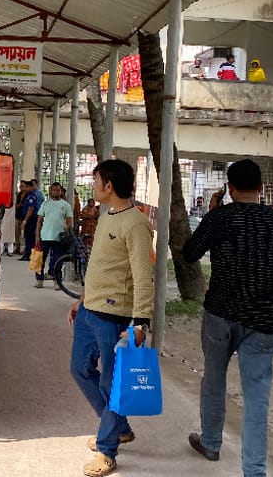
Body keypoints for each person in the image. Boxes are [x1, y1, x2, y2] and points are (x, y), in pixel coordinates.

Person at [183, 159, 273, 477]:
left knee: (214, 379)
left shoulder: (220, 217)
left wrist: (212, 213)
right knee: (257, 397)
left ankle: (211, 442)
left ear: (230, 188)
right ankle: (254, 470)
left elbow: (190, 252)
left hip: (220, 314)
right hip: (262, 320)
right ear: (261, 188)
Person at [68, 159, 154, 477]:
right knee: (80, 369)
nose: (93, 186)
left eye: (96, 181)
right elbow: (100, 266)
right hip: (89, 311)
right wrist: (81, 299)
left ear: (109, 185)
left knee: (112, 382)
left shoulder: (136, 224)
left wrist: (141, 322)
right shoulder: (107, 216)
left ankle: (107, 450)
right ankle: (120, 427)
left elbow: (143, 276)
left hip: (113, 316)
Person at [34, 182, 73, 289]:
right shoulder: (45, 204)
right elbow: (39, 220)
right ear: (51, 191)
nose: (56, 192)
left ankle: (57, 281)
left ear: (61, 191)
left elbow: (69, 221)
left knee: (57, 261)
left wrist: (66, 231)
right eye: (54, 190)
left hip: (59, 238)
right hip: (45, 236)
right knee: (40, 260)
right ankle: (39, 280)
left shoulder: (66, 205)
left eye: (58, 190)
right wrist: (37, 236)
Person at [18, 180, 41, 261]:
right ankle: (27, 253)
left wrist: (25, 221)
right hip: (28, 219)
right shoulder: (27, 195)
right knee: (27, 236)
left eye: (26, 187)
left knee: (30, 237)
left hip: (31, 219)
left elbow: (30, 209)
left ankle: (29, 254)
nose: (24, 188)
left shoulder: (32, 196)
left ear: (30, 187)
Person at [14, 180, 27, 254]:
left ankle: (25, 249)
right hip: (18, 216)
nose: (20, 187)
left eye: (22, 186)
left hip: (24, 217)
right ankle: (17, 248)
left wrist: (21, 205)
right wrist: (17, 205)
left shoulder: (28, 195)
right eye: (20, 186)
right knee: (17, 233)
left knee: (24, 234)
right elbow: (16, 203)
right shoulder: (19, 194)